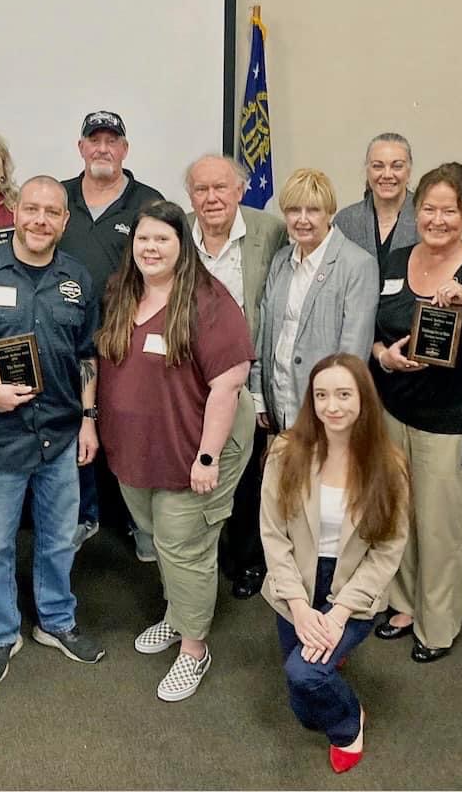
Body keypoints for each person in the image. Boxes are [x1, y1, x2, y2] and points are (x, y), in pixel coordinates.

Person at [0, 175, 105, 686]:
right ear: (17, 211)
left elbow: (86, 356)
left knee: (57, 540)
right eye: (32, 209)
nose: (40, 220)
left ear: (64, 221)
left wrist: (90, 421)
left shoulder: (77, 278)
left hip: (59, 433)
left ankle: (56, 621)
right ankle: (1, 633)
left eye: (52, 213)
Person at [96, 200, 255, 701]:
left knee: (185, 545)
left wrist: (207, 458)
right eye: (143, 238)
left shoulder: (207, 300)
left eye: (162, 239)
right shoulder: (123, 292)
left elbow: (228, 385)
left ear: (181, 245)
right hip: (140, 449)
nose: (151, 247)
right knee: (160, 535)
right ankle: (176, 613)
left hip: (198, 447)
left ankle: (194, 649)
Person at [369, 162, 462, 663]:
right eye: (428, 209)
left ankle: (438, 627)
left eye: (448, 211)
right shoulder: (396, 259)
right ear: (416, 212)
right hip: (395, 412)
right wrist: (381, 356)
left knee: (440, 530)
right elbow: (374, 324)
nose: (437, 219)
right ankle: (405, 605)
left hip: (451, 423)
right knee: (399, 519)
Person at [259, 354, 410, 774]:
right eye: (322, 395)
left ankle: (349, 723)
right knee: (303, 710)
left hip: (353, 585)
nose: (333, 406)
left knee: (304, 676)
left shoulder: (388, 465)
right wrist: (299, 607)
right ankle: (329, 660)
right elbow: (273, 537)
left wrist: (340, 612)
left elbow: (387, 551)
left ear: (363, 398)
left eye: (344, 394)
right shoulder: (286, 452)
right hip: (297, 584)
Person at [57, 111, 164, 549]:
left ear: (125, 149)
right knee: (74, 426)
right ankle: (85, 515)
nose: (103, 148)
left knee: (130, 428)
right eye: (94, 140)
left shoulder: (148, 202)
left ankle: (139, 521)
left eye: (112, 140)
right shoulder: (60, 198)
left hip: (129, 340)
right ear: (81, 147)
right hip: (69, 339)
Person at [184, 154, 287, 597]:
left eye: (220, 188)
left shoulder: (269, 231)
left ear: (240, 191)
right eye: (201, 189)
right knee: (194, 469)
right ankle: (200, 557)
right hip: (186, 380)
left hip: (244, 378)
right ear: (190, 195)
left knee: (245, 478)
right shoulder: (176, 232)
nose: (211, 198)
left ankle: (247, 560)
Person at [252, 168, 378, 434]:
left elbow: (352, 351)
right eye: (293, 210)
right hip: (279, 404)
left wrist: (335, 406)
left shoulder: (357, 265)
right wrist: (259, 395)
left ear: (330, 212)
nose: (302, 220)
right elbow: (266, 332)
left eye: (313, 210)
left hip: (326, 411)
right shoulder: (281, 260)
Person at [332, 132, 419, 278]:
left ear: (409, 171)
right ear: (367, 171)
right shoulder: (345, 221)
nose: (387, 174)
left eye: (397, 166)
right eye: (378, 166)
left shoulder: (426, 219)